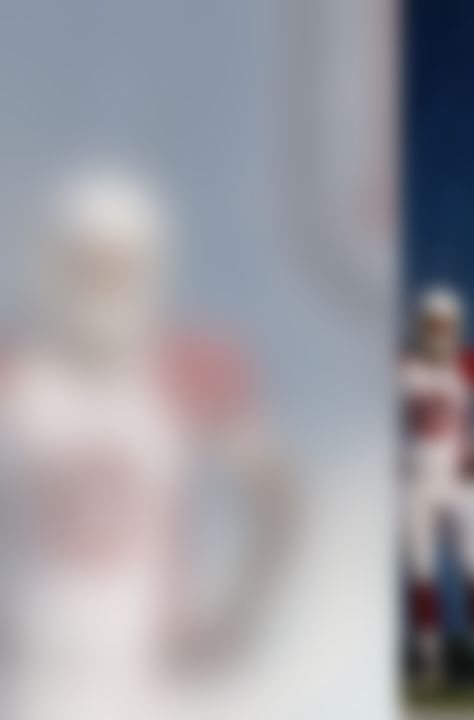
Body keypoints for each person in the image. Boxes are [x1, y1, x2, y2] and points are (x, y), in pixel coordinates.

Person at [0, 167, 293, 720]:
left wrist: (237, 617)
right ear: (52, 264)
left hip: (147, 674)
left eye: (117, 267)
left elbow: (276, 500)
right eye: (87, 265)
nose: (101, 284)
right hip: (29, 670)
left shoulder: (187, 371)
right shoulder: (14, 375)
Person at [400, 287, 474, 687]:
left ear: (457, 326)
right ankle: (428, 657)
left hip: (455, 481)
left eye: (444, 324)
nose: (437, 331)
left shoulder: (471, 364)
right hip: (411, 481)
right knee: (420, 571)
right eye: (431, 323)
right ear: (417, 323)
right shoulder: (400, 363)